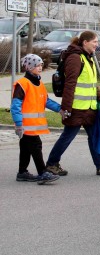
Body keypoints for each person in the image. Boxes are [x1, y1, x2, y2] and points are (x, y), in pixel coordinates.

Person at [46, 31, 100, 176]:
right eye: (94, 42)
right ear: (85, 42)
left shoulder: (88, 58)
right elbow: (70, 84)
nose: (97, 45)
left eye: (97, 42)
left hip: (89, 108)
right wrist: (66, 108)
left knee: (94, 137)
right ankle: (51, 164)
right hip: (76, 108)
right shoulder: (75, 58)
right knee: (68, 136)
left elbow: (91, 83)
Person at [11, 54, 61, 185]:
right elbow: (15, 106)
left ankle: (22, 173)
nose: (40, 68)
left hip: (32, 125)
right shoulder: (22, 84)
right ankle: (42, 172)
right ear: (29, 67)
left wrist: (59, 109)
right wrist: (18, 124)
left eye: (41, 65)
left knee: (26, 148)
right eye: (37, 65)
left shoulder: (39, 83)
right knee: (36, 146)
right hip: (26, 125)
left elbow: (46, 101)